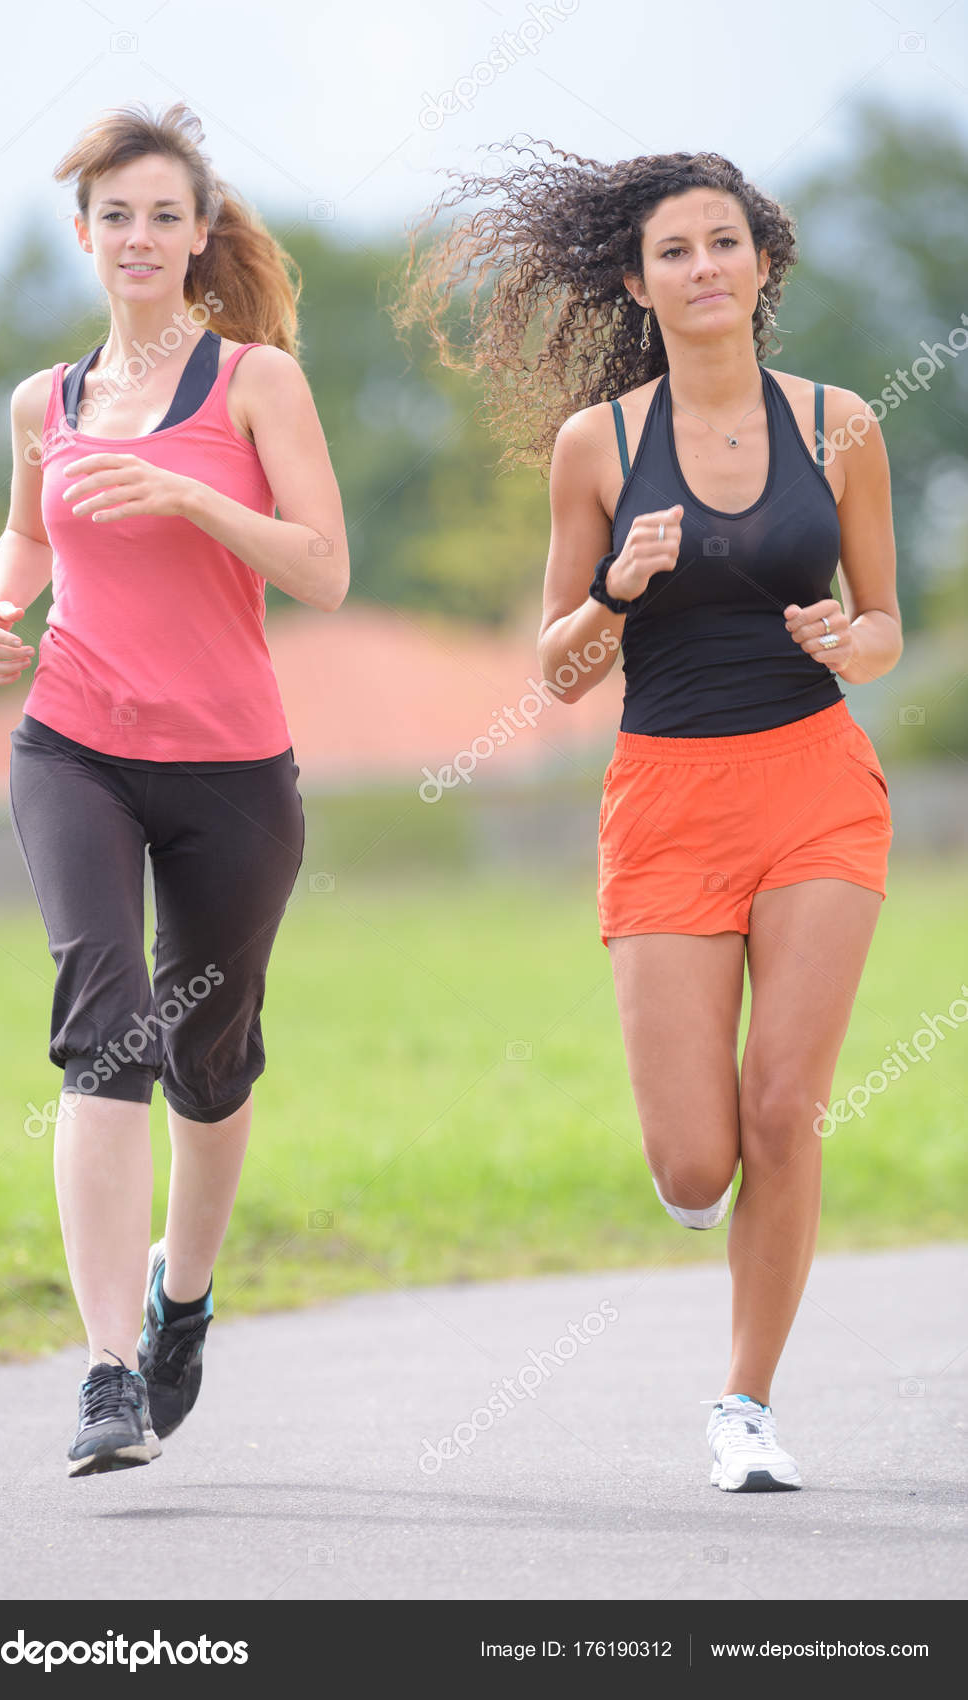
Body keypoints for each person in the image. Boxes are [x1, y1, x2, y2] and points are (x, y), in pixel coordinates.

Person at [392, 143, 898, 1491]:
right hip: (667, 797)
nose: (704, 268)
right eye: (674, 251)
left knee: (785, 1111)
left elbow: (889, 624)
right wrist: (615, 591)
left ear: (763, 260)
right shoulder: (598, 444)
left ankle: (745, 1404)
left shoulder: (842, 423)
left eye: (724, 242)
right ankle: (701, 1204)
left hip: (817, 788)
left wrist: (857, 641)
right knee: (694, 1160)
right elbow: (555, 669)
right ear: (638, 280)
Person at [0, 102, 348, 1477]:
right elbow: (26, 531)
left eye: (163, 216)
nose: (139, 237)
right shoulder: (44, 401)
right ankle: (105, 1377)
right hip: (72, 743)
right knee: (105, 1027)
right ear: (87, 236)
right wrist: (2, 609)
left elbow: (323, 567)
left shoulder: (256, 385)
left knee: (211, 1054)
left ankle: (179, 1300)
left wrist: (191, 500)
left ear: (201, 238)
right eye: (115, 216)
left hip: (233, 770)